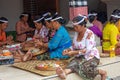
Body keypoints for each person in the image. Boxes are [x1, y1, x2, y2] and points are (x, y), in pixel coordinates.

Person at [56, 15, 107, 80]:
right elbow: (74, 46)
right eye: (74, 27)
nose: (74, 28)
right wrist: (68, 49)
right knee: (73, 63)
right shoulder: (76, 33)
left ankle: (102, 72)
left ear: (83, 26)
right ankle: (64, 73)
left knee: (84, 67)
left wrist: (73, 52)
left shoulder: (89, 34)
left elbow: (87, 50)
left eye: (76, 27)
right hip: (81, 56)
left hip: (91, 56)